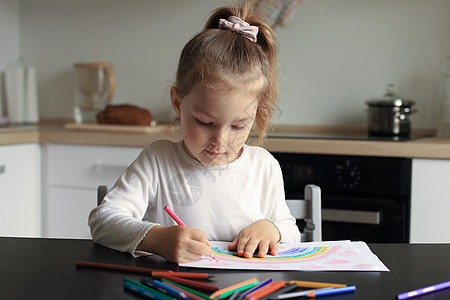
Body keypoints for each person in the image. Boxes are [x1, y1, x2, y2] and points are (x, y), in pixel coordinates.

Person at [88, 1, 300, 263]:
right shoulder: (158, 160)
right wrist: (157, 239)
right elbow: (103, 221)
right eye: (205, 122)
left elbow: (292, 232)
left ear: (256, 114)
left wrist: (272, 229)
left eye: (238, 126)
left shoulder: (263, 167)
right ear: (178, 103)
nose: (220, 141)